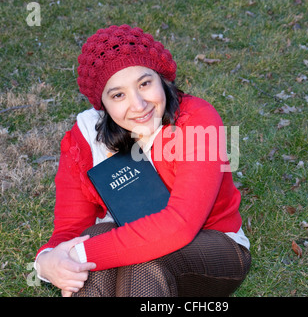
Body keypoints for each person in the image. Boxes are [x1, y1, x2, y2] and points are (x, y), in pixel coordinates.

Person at [34, 24, 251, 297]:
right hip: (122, 235)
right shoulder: (85, 136)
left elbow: (179, 226)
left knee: (144, 258)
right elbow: (71, 229)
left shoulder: (197, 121)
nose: (138, 104)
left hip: (212, 244)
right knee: (93, 246)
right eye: (118, 95)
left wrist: (78, 255)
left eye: (144, 83)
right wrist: (48, 261)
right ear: (101, 103)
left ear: (161, 79)